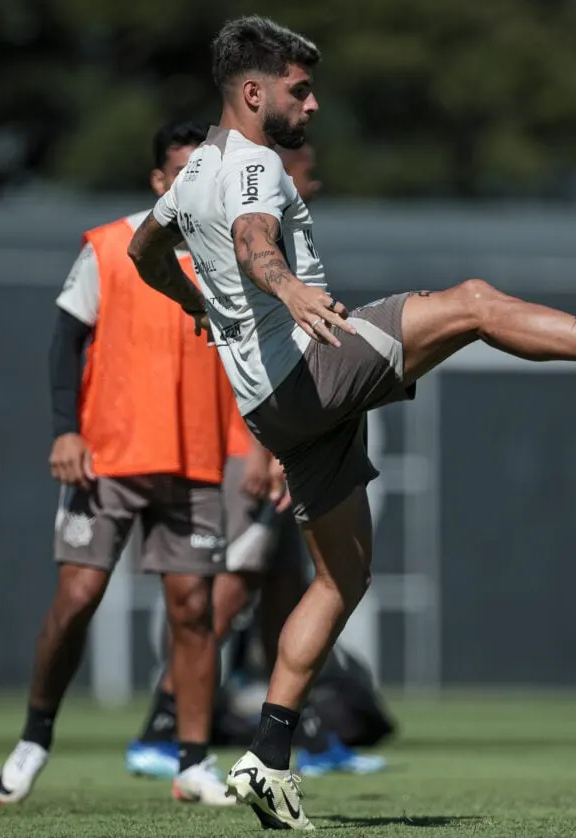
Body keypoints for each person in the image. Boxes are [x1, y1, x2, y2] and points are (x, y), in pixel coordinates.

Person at [129, 16, 576, 830]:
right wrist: (289, 291)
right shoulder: (251, 168)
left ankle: (268, 760)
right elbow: (252, 240)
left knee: (343, 581)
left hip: (273, 406)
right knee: (475, 304)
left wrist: (197, 306)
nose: (312, 104)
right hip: (310, 362)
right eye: (299, 90)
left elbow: (144, 251)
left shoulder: (193, 168)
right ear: (252, 91)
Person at [0, 120, 235, 807]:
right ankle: (36, 736)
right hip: (109, 459)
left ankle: (192, 762)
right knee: (77, 602)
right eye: (183, 176)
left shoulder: (234, 257)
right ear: (160, 182)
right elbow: (65, 342)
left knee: (192, 611)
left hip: (195, 462)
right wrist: (66, 432)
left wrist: (268, 449)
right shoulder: (109, 247)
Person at [125, 142, 386, 780]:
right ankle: (164, 721)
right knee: (227, 593)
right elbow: (254, 367)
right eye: (306, 165)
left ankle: (305, 730)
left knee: (285, 593)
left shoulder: (280, 235)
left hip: (280, 447)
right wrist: (258, 451)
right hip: (259, 451)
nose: (314, 176)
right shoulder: (247, 216)